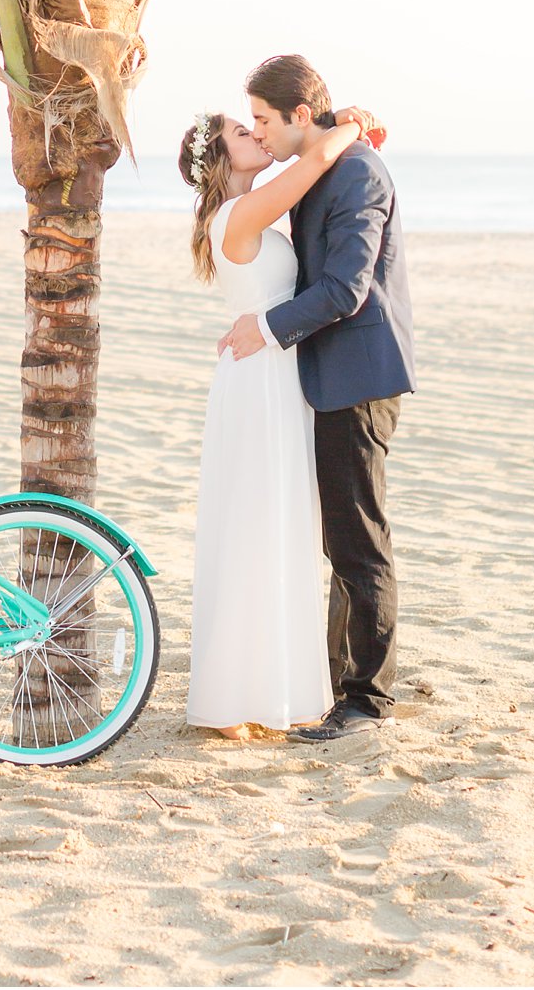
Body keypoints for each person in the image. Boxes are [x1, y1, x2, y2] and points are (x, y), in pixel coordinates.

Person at [219, 54, 415, 745]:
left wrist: (267, 327)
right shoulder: (323, 166)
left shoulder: (358, 171)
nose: (259, 132)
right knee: (339, 536)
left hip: (359, 374)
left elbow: (347, 288)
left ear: (301, 115)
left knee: (360, 541)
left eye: (265, 119)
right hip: (326, 374)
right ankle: (337, 685)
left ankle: (366, 699)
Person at [180, 104, 379, 737]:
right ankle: (246, 694)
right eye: (243, 131)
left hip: (272, 372)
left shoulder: (247, 212)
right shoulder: (241, 212)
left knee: (275, 527)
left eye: (258, 123)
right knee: (258, 528)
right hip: (260, 380)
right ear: (220, 158)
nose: (257, 134)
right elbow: (317, 157)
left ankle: (268, 686)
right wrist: (354, 125)